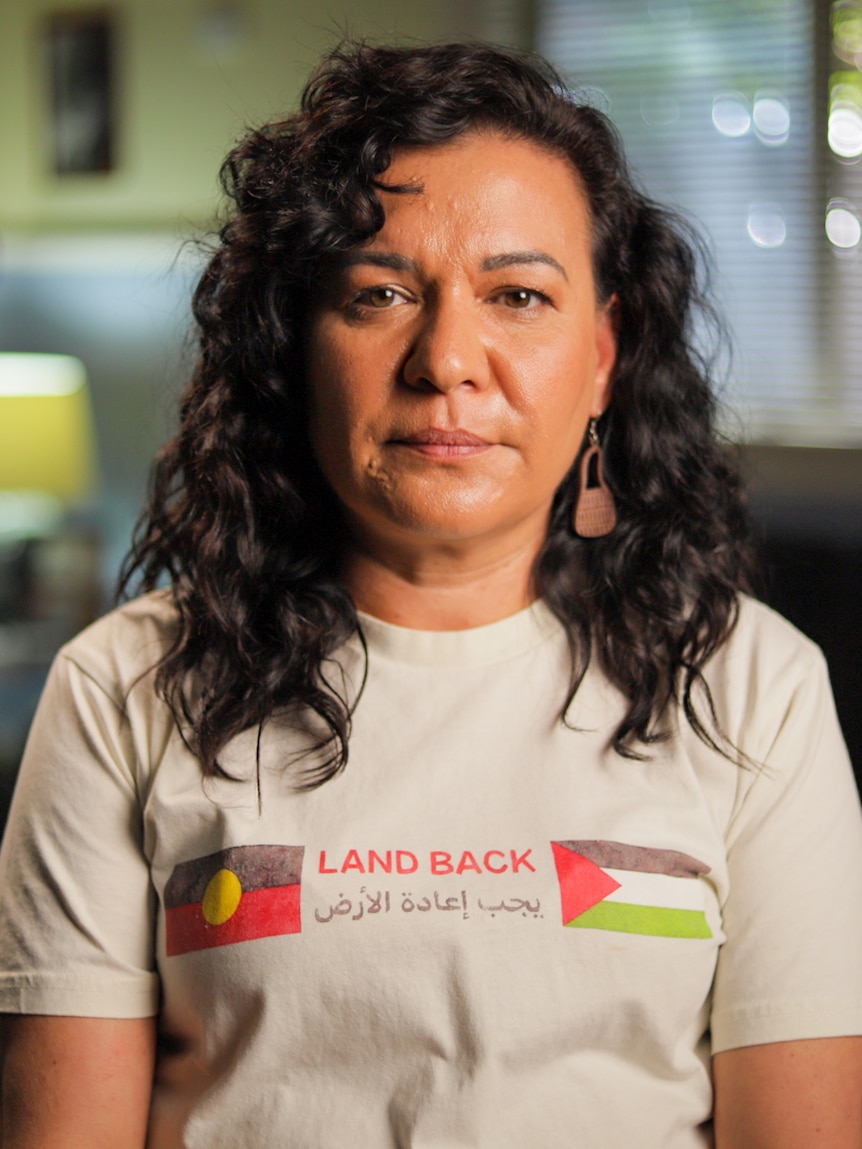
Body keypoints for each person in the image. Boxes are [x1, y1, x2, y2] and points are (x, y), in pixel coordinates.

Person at [1, 40, 861, 1149]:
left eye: (517, 294)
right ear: (295, 348)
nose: (448, 357)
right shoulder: (122, 688)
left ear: (600, 359)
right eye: (381, 293)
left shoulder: (752, 687)